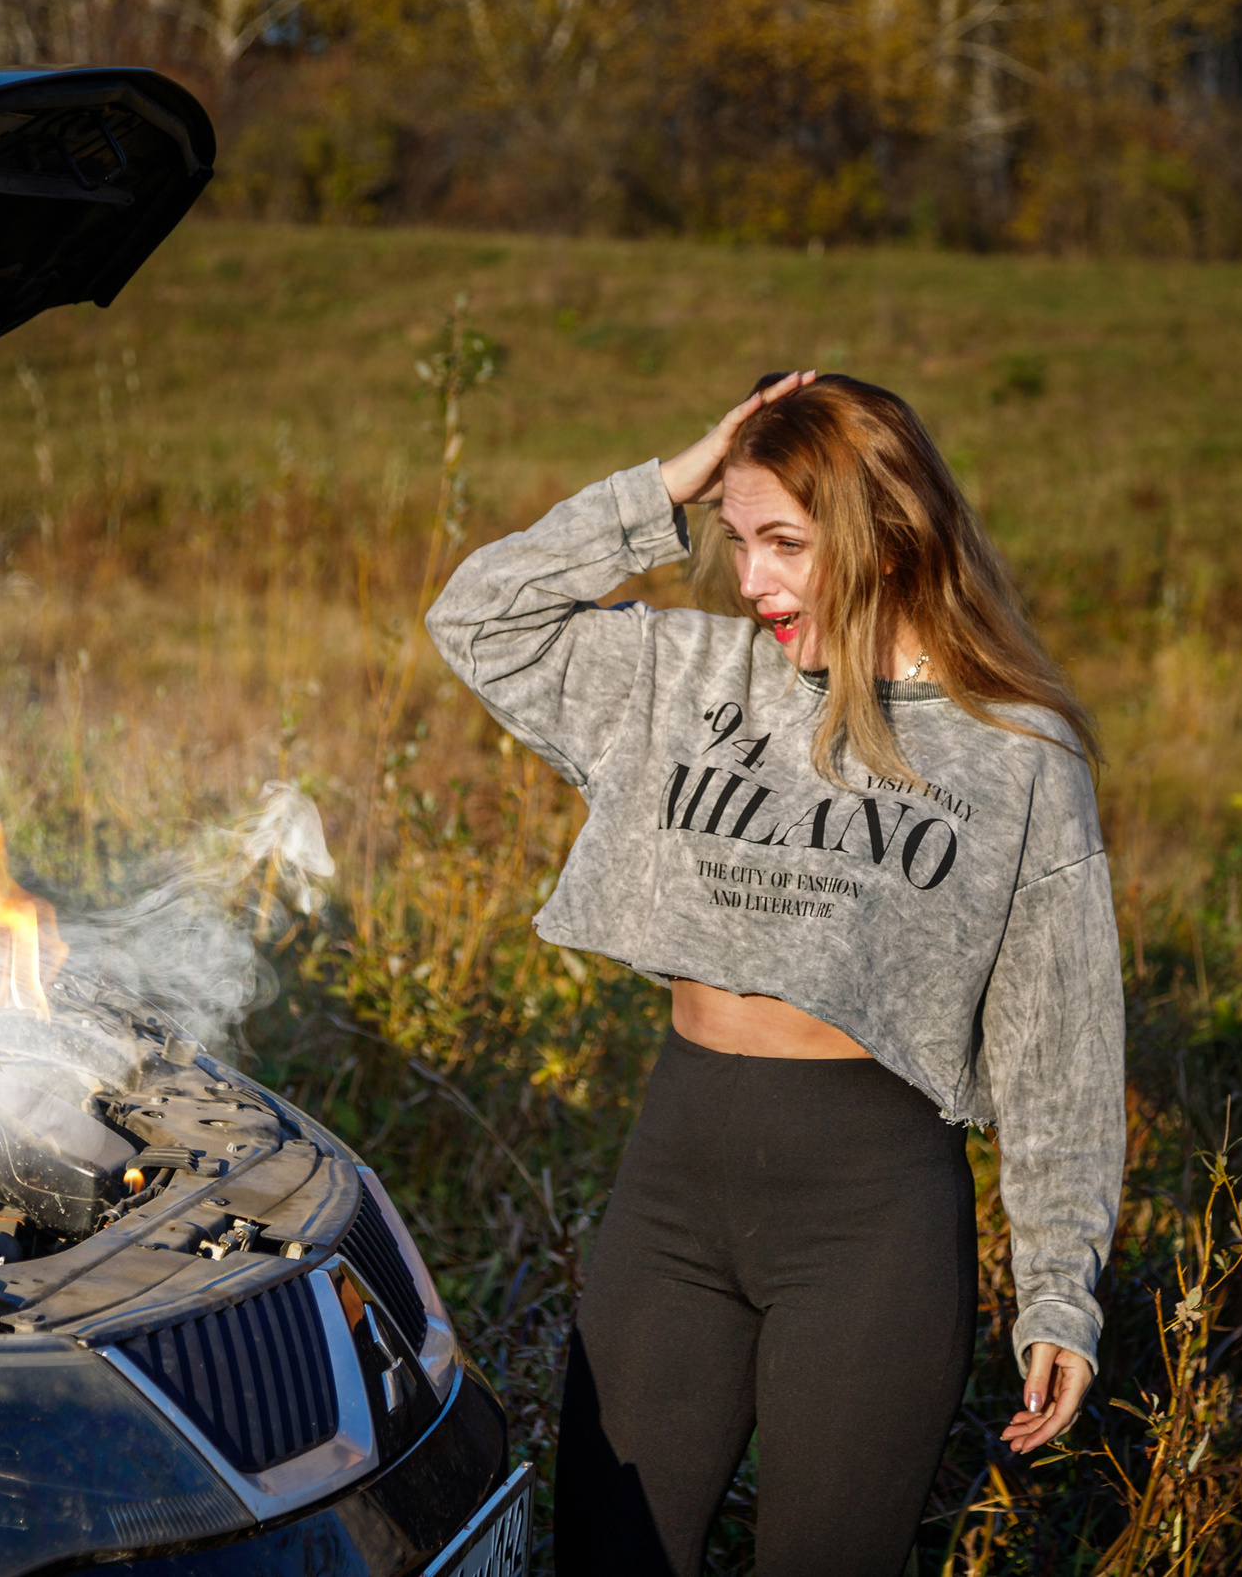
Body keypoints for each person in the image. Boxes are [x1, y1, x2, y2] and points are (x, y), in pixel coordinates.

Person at [426, 371, 1125, 1577]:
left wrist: (1060, 1287)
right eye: (736, 541)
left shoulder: (1014, 751)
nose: (751, 581)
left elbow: (1060, 1045)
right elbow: (478, 616)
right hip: (672, 1198)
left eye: (785, 544)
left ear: (885, 535)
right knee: (607, 1556)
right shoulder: (689, 681)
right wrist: (674, 482)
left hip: (871, 1228)